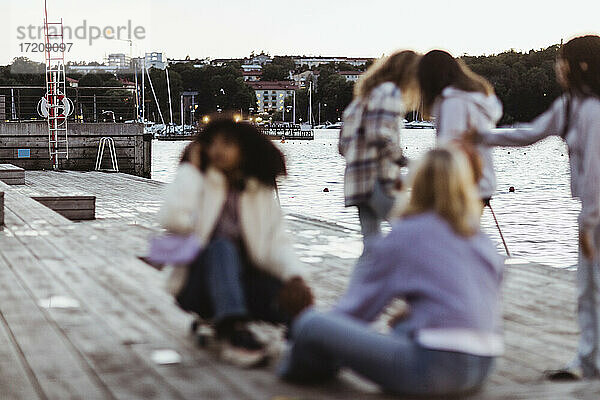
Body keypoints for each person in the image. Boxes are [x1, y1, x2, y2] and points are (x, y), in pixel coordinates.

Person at [278, 147, 505, 396]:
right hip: (484, 364)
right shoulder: (482, 240)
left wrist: (328, 335)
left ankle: (293, 370)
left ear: (416, 184)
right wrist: (413, 313)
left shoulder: (407, 234)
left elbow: (359, 310)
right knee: (399, 328)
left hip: (435, 368)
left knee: (312, 324)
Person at [472, 35, 600, 380]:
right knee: (588, 288)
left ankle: (590, 361)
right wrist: (480, 136)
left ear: (581, 66)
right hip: (592, 213)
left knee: (594, 287)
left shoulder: (593, 111)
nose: (559, 67)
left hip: (596, 213)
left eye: (564, 61)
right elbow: (529, 133)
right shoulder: (571, 106)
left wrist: (588, 223)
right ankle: (590, 361)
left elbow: (596, 175)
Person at [159, 117, 313, 368]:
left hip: (245, 283)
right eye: (212, 143)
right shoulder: (200, 183)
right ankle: (233, 331)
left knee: (291, 302)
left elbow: (276, 243)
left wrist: (295, 277)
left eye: (227, 143)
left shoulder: (256, 191)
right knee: (221, 247)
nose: (217, 150)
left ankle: (310, 340)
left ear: (244, 149)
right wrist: (190, 170)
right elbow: (173, 219)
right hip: (196, 284)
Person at [339, 50, 420, 249]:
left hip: (357, 180)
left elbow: (343, 146)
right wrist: (406, 162)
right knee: (413, 237)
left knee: (371, 245)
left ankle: (366, 281)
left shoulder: (362, 100)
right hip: (379, 179)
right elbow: (380, 135)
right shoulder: (390, 92)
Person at [418, 50, 503, 205]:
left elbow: (449, 146)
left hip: (460, 184)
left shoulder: (453, 101)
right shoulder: (476, 97)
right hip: (483, 181)